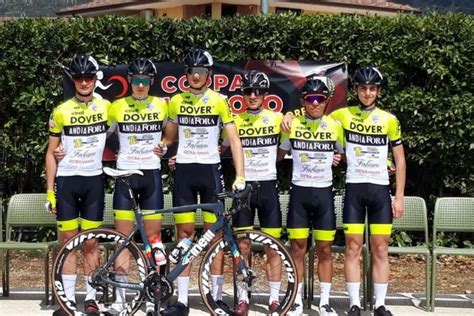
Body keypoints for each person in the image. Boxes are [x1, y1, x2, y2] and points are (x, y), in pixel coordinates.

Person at [161, 48, 245, 316]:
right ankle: (183, 301)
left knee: (215, 238)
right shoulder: (175, 102)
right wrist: (162, 147)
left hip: (210, 171)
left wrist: (240, 175)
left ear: (208, 75)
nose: (196, 76)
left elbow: (233, 140)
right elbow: (170, 137)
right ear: (186, 75)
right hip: (185, 171)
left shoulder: (220, 101)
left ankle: (215, 297)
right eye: (192, 72)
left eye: (202, 72)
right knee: (184, 237)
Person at [329, 66, 406, 316]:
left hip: (381, 191)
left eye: (372, 89)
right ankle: (354, 304)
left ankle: (381, 305)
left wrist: (400, 197)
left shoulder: (389, 120)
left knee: (380, 248)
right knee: (352, 247)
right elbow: (312, 114)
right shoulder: (343, 115)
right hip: (354, 188)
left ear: (378, 92)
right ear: (356, 90)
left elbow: (400, 161)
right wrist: (289, 117)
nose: (367, 93)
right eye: (363, 88)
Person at [45, 54, 110, 316]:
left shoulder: (108, 107)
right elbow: (51, 153)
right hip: (68, 181)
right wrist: (50, 190)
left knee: (91, 243)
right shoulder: (61, 111)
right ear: (73, 80)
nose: (84, 82)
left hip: (94, 180)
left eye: (89, 77)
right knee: (68, 243)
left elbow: (135, 128)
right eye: (79, 78)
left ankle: (91, 299)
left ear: (96, 79)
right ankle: (68, 300)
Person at [106, 58, 171, 313]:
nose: (141, 85)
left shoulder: (161, 106)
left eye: (145, 80)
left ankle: (152, 296)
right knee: (123, 240)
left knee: (154, 240)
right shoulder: (116, 107)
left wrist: (164, 146)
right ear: (130, 81)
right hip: (125, 177)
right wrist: (119, 151)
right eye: (137, 80)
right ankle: (121, 300)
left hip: (151, 175)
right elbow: (106, 135)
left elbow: (171, 134)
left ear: (151, 82)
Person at [277, 76, 343, 316]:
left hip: (324, 193)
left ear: (326, 101)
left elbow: (348, 154)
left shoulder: (335, 126)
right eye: (310, 99)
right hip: (300, 193)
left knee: (325, 249)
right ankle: (295, 300)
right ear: (303, 101)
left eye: (320, 99)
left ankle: (324, 302)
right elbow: (278, 155)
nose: (315, 103)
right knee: (297, 248)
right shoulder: (291, 124)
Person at [220, 70, 283, 315]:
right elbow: (221, 148)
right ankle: (243, 298)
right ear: (243, 95)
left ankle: (275, 298)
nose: (253, 96)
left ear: (265, 94)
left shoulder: (278, 119)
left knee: (273, 246)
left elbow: (284, 151)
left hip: (267, 185)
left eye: (258, 92)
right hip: (243, 188)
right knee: (242, 245)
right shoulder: (234, 121)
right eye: (248, 92)